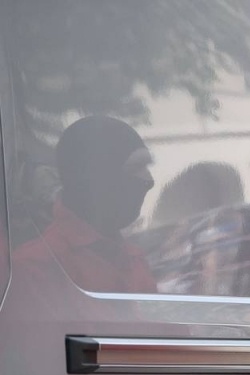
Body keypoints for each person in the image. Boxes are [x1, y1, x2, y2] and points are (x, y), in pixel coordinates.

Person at [11, 115, 158, 294]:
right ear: (97, 178)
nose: (149, 181)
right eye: (136, 167)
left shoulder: (133, 258)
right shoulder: (34, 269)